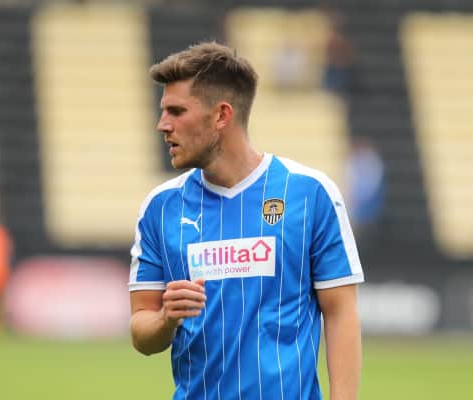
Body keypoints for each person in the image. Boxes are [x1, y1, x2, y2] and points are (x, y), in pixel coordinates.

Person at [129, 42, 364, 400]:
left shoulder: (310, 194)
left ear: (221, 115)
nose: (163, 125)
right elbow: (141, 331)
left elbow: (341, 312)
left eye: (177, 111)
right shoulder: (160, 208)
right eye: (164, 112)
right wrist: (165, 319)